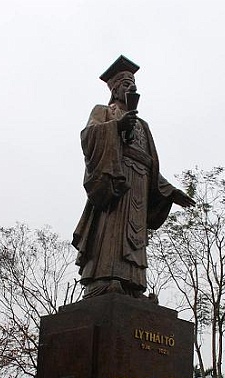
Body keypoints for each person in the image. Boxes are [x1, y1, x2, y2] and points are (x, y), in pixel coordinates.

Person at [72, 55, 195, 299]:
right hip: (116, 181)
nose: (132, 88)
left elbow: (151, 164)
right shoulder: (104, 111)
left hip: (139, 183)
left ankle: (132, 284)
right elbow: (89, 137)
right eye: (126, 85)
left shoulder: (143, 126)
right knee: (112, 230)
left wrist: (170, 191)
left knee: (134, 233)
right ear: (115, 89)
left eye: (134, 85)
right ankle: (105, 279)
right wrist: (116, 127)